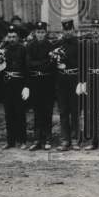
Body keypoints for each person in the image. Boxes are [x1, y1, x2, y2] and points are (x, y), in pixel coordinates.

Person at [26, 21, 55, 150]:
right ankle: (37, 139)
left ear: (46, 33)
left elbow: (51, 64)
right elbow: (28, 63)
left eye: (42, 32)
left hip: (47, 81)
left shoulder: (50, 46)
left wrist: (38, 64)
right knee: (37, 111)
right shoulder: (30, 46)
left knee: (47, 111)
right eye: (38, 32)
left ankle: (48, 138)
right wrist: (42, 63)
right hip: (35, 82)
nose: (40, 35)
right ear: (35, 33)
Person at [0, 26, 28, 150]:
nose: (12, 39)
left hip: (19, 84)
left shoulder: (23, 50)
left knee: (20, 113)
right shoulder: (4, 50)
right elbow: (0, 70)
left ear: (18, 37)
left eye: (14, 37)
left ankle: (22, 140)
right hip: (7, 85)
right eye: (9, 37)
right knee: (9, 113)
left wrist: (26, 86)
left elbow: (26, 69)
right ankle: (10, 141)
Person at [54, 19, 81, 150]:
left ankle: (76, 139)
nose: (68, 32)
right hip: (61, 81)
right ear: (63, 31)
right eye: (65, 30)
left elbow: (84, 63)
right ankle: (65, 139)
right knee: (63, 111)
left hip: (75, 80)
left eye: (70, 30)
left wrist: (82, 82)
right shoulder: (58, 44)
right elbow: (53, 62)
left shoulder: (79, 44)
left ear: (74, 30)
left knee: (75, 111)